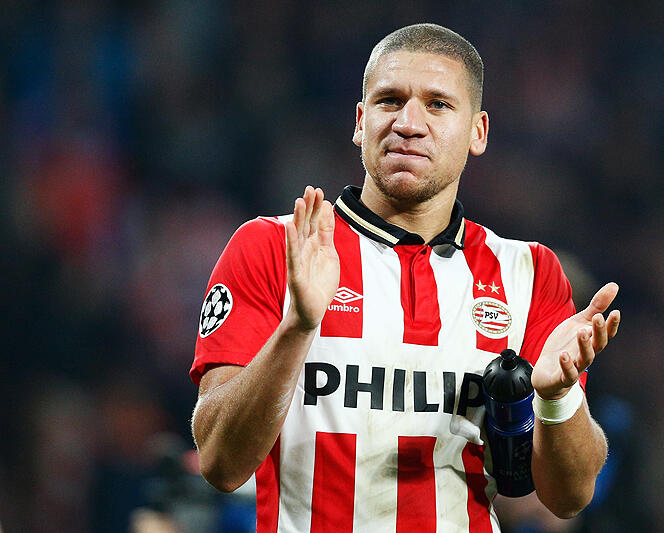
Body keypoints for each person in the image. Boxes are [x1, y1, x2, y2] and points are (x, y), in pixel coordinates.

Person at [190, 23, 621, 532]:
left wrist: (557, 398)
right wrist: (297, 327)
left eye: (438, 105)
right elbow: (220, 464)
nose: (409, 123)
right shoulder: (273, 248)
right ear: (360, 121)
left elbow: (569, 498)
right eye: (389, 100)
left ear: (478, 132)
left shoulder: (530, 273)